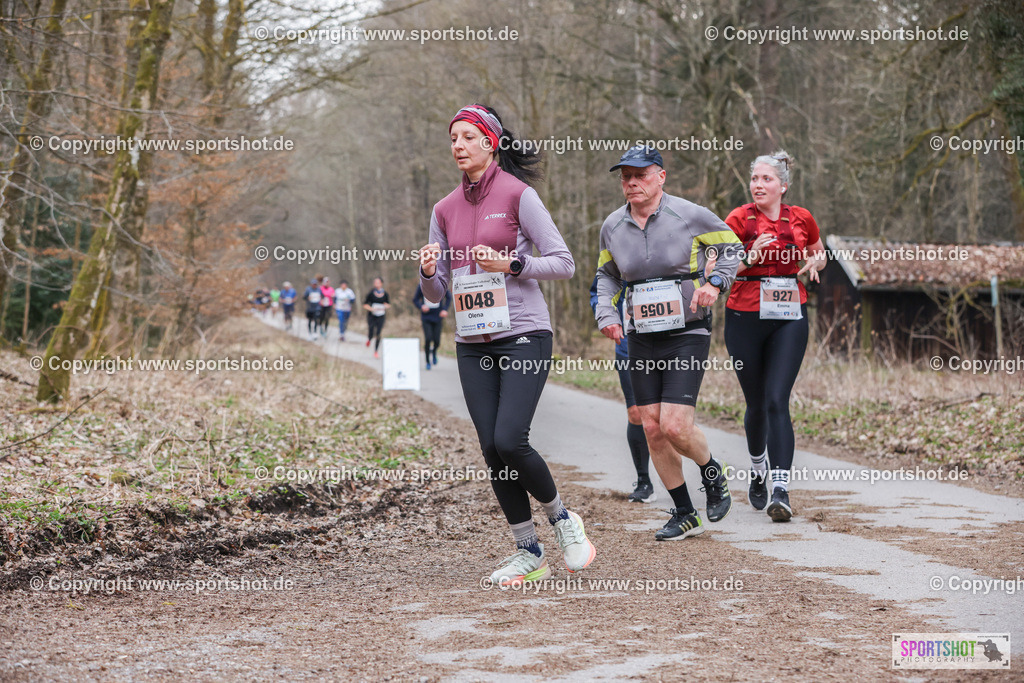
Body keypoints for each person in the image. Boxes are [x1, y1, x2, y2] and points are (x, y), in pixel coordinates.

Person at [418, 103, 594, 587]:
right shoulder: (443, 209)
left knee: (509, 439)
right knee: (491, 451)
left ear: (490, 143)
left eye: (466, 137)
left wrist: (513, 265)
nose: (457, 145)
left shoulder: (519, 195)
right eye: (452, 138)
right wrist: (429, 271)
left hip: (523, 333)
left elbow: (563, 263)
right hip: (472, 341)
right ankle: (528, 551)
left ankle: (563, 520)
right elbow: (435, 294)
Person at [594, 144, 742, 542]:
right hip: (641, 335)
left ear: (661, 176)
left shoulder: (691, 215)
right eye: (625, 176)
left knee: (676, 426)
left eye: (640, 175)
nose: (631, 182)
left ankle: (712, 471)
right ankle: (685, 513)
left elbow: (732, 247)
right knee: (652, 428)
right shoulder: (612, 225)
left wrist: (715, 283)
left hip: (686, 331)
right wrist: (607, 314)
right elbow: (607, 275)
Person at [723, 150, 826, 522]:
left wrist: (816, 261)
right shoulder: (737, 219)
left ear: (783, 185)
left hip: (788, 316)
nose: (758, 185)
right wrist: (748, 257)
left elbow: (819, 252)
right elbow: (716, 268)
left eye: (766, 179)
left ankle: (780, 490)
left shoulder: (802, 218)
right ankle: (758, 470)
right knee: (756, 405)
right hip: (743, 317)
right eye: (755, 179)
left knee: (776, 400)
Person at [588, 275, 654, 502]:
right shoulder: (617, 253)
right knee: (636, 413)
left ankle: (705, 469)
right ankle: (644, 481)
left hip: (671, 340)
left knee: (670, 417)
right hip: (629, 343)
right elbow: (598, 292)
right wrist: (607, 316)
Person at [413, 283, 451, 369]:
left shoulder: (441, 285)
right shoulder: (422, 285)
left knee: (437, 341)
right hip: (426, 318)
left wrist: (445, 309)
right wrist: (421, 306)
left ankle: (434, 352)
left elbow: (449, 297)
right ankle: (427, 361)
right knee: (428, 338)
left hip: (438, 317)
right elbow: (415, 300)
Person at [363, 277, 390, 357]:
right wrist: (371, 309)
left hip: (381, 316)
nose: (376, 284)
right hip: (372, 315)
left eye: (378, 282)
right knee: (371, 330)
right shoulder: (371, 293)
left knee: (378, 333)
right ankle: (369, 339)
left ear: (381, 283)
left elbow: (388, 304)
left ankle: (376, 351)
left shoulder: (385, 294)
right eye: (375, 282)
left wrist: (385, 306)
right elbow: (365, 304)